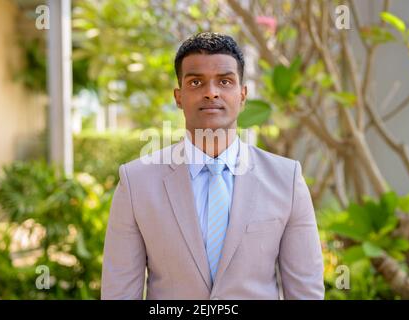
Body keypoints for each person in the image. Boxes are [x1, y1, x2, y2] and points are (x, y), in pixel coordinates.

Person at [101, 32, 324, 300]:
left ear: (242, 96)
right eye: (196, 82)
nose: (211, 93)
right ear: (179, 96)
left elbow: (306, 292)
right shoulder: (135, 183)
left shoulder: (286, 179)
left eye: (225, 81)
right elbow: (119, 294)